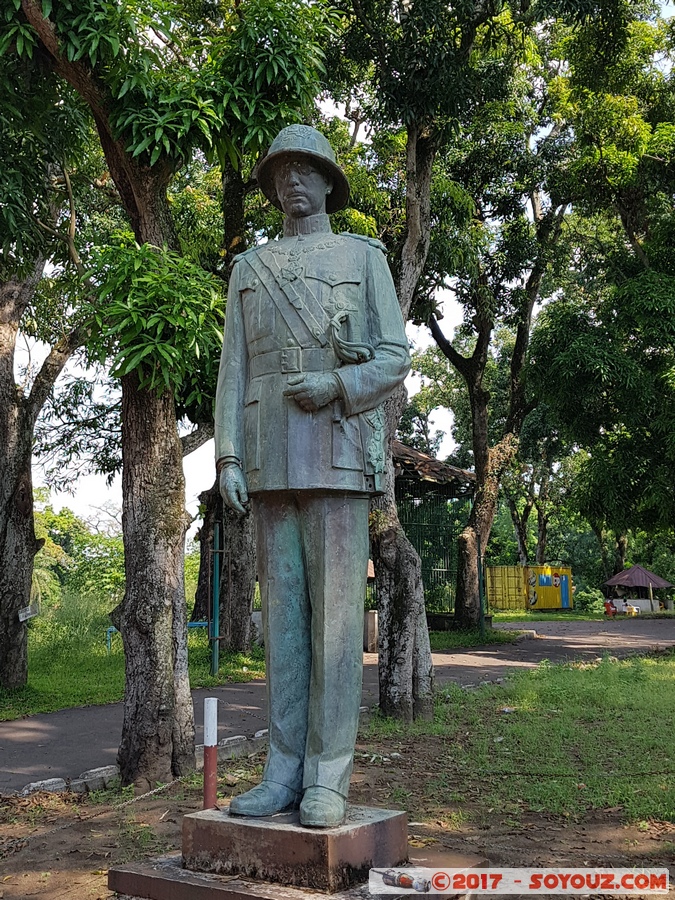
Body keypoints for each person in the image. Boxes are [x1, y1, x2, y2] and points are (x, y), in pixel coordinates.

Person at [214, 125, 410, 828]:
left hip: (334, 448)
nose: (290, 183)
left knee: (333, 628)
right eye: (279, 174)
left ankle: (328, 778)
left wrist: (335, 383)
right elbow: (232, 369)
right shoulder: (249, 267)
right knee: (284, 632)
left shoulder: (363, 259)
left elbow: (393, 357)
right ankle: (281, 772)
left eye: (305, 171)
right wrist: (227, 456)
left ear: (329, 181)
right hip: (268, 456)